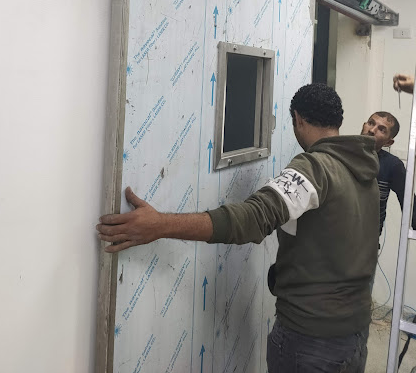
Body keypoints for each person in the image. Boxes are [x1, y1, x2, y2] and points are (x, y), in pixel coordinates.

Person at [97, 84, 379, 373]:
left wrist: (160, 225)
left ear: (298, 119)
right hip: (354, 335)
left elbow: (254, 218)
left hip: (312, 343)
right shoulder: (364, 170)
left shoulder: (315, 168)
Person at [361, 111, 416, 235]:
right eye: (371, 123)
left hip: (367, 240)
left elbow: (411, 207)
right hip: (332, 234)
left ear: (388, 142)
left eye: (382, 130)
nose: (372, 130)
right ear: (364, 125)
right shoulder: (342, 153)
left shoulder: (392, 165)